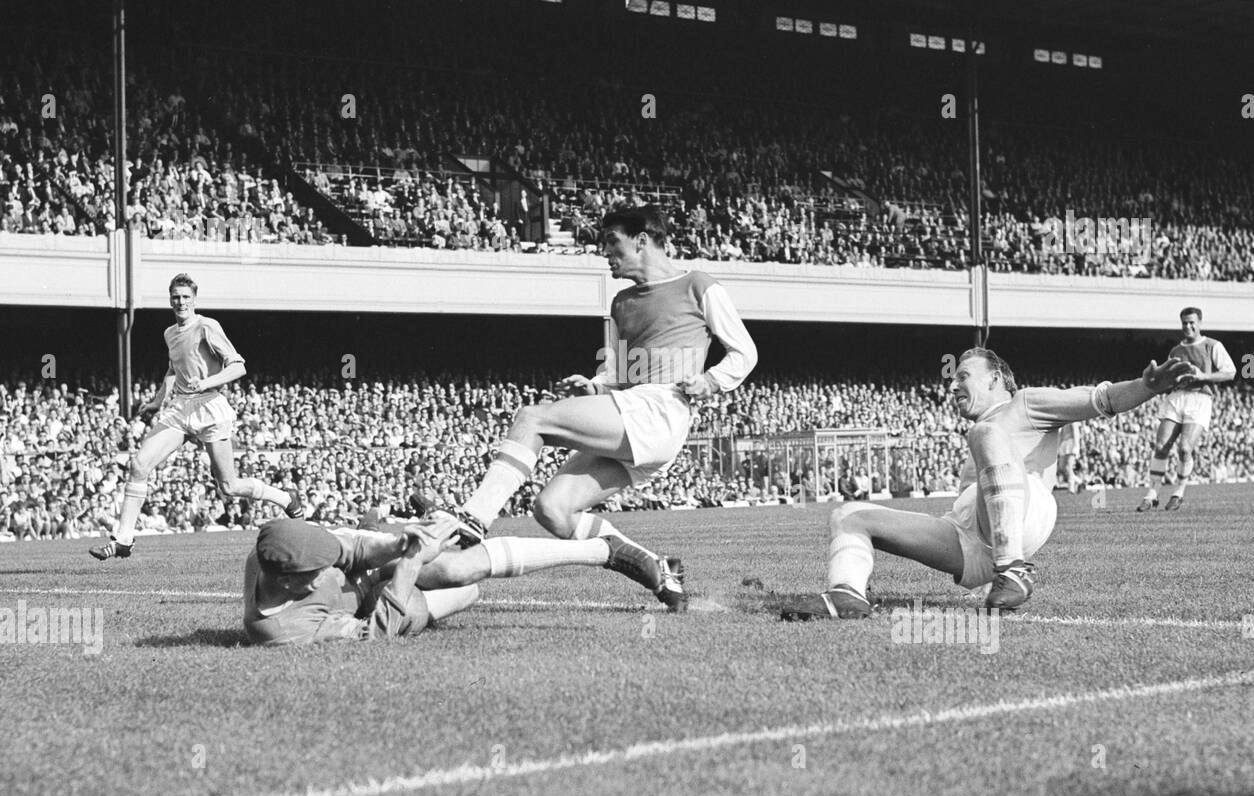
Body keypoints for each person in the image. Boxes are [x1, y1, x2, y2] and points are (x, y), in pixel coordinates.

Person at [418, 206, 757, 612]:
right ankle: (656, 569)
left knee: (532, 418)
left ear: (643, 240)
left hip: (660, 410)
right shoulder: (622, 302)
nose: (606, 254)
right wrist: (595, 384)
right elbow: (623, 370)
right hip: (633, 410)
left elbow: (744, 352)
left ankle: (472, 521)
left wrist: (710, 380)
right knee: (553, 510)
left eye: (613, 242)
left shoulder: (696, 284)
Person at [780, 348, 1194, 618]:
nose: (953, 384)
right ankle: (846, 595)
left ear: (996, 378)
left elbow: (1099, 400)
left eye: (963, 376)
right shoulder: (981, 430)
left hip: (1025, 513)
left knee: (985, 435)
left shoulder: (1023, 403)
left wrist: (1147, 387)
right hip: (968, 536)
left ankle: (1013, 570)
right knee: (848, 514)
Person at [89, 273, 303, 561]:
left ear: (194, 300)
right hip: (180, 409)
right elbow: (172, 370)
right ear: (170, 299)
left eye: (186, 297)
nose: (181, 302)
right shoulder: (169, 333)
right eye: (176, 297)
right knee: (139, 465)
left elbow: (238, 365)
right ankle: (123, 539)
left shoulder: (206, 326)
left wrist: (207, 383)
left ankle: (286, 498)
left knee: (229, 486)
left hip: (209, 407)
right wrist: (156, 402)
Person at [243, 515, 478, 647]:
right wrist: (411, 563)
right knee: (420, 610)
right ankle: (369, 527)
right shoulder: (286, 631)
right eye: (319, 570)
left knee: (455, 570)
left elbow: (352, 550)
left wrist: (399, 545)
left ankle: (369, 526)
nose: (329, 570)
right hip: (363, 602)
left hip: (363, 571)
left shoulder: (268, 551)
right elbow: (373, 633)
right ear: (287, 582)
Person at [1136, 307, 1236, 512]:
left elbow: (1231, 372)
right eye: (1184, 323)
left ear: (1200, 323)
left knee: (1184, 448)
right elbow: (1167, 379)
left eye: (1192, 322)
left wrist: (1203, 377)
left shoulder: (1212, 345)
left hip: (1200, 399)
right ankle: (1152, 493)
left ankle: (1178, 492)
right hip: (1177, 397)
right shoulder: (1175, 351)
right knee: (1161, 445)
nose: (1188, 326)